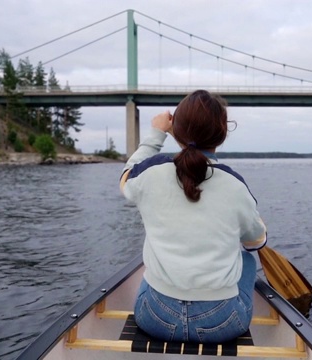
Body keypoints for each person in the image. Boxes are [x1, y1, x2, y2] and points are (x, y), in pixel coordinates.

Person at [119, 90, 267, 344]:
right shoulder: (235, 185)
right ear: (221, 134)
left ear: (176, 130)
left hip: (154, 318)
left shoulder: (150, 174)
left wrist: (157, 133)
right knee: (247, 260)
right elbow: (255, 242)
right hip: (222, 323)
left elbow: (125, 177)